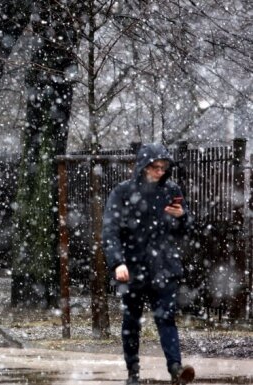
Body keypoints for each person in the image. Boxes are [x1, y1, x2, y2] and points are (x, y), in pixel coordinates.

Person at [102, 143, 195, 385]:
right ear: (143, 166)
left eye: (164, 167)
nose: (160, 172)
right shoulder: (122, 193)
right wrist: (117, 262)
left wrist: (182, 216)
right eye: (155, 167)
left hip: (164, 265)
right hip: (132, 267)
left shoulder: (171, 190)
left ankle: (175, 367)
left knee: (166, 317)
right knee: (131, 321)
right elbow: (110, 231)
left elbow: (186, 230)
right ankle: (133, 371)